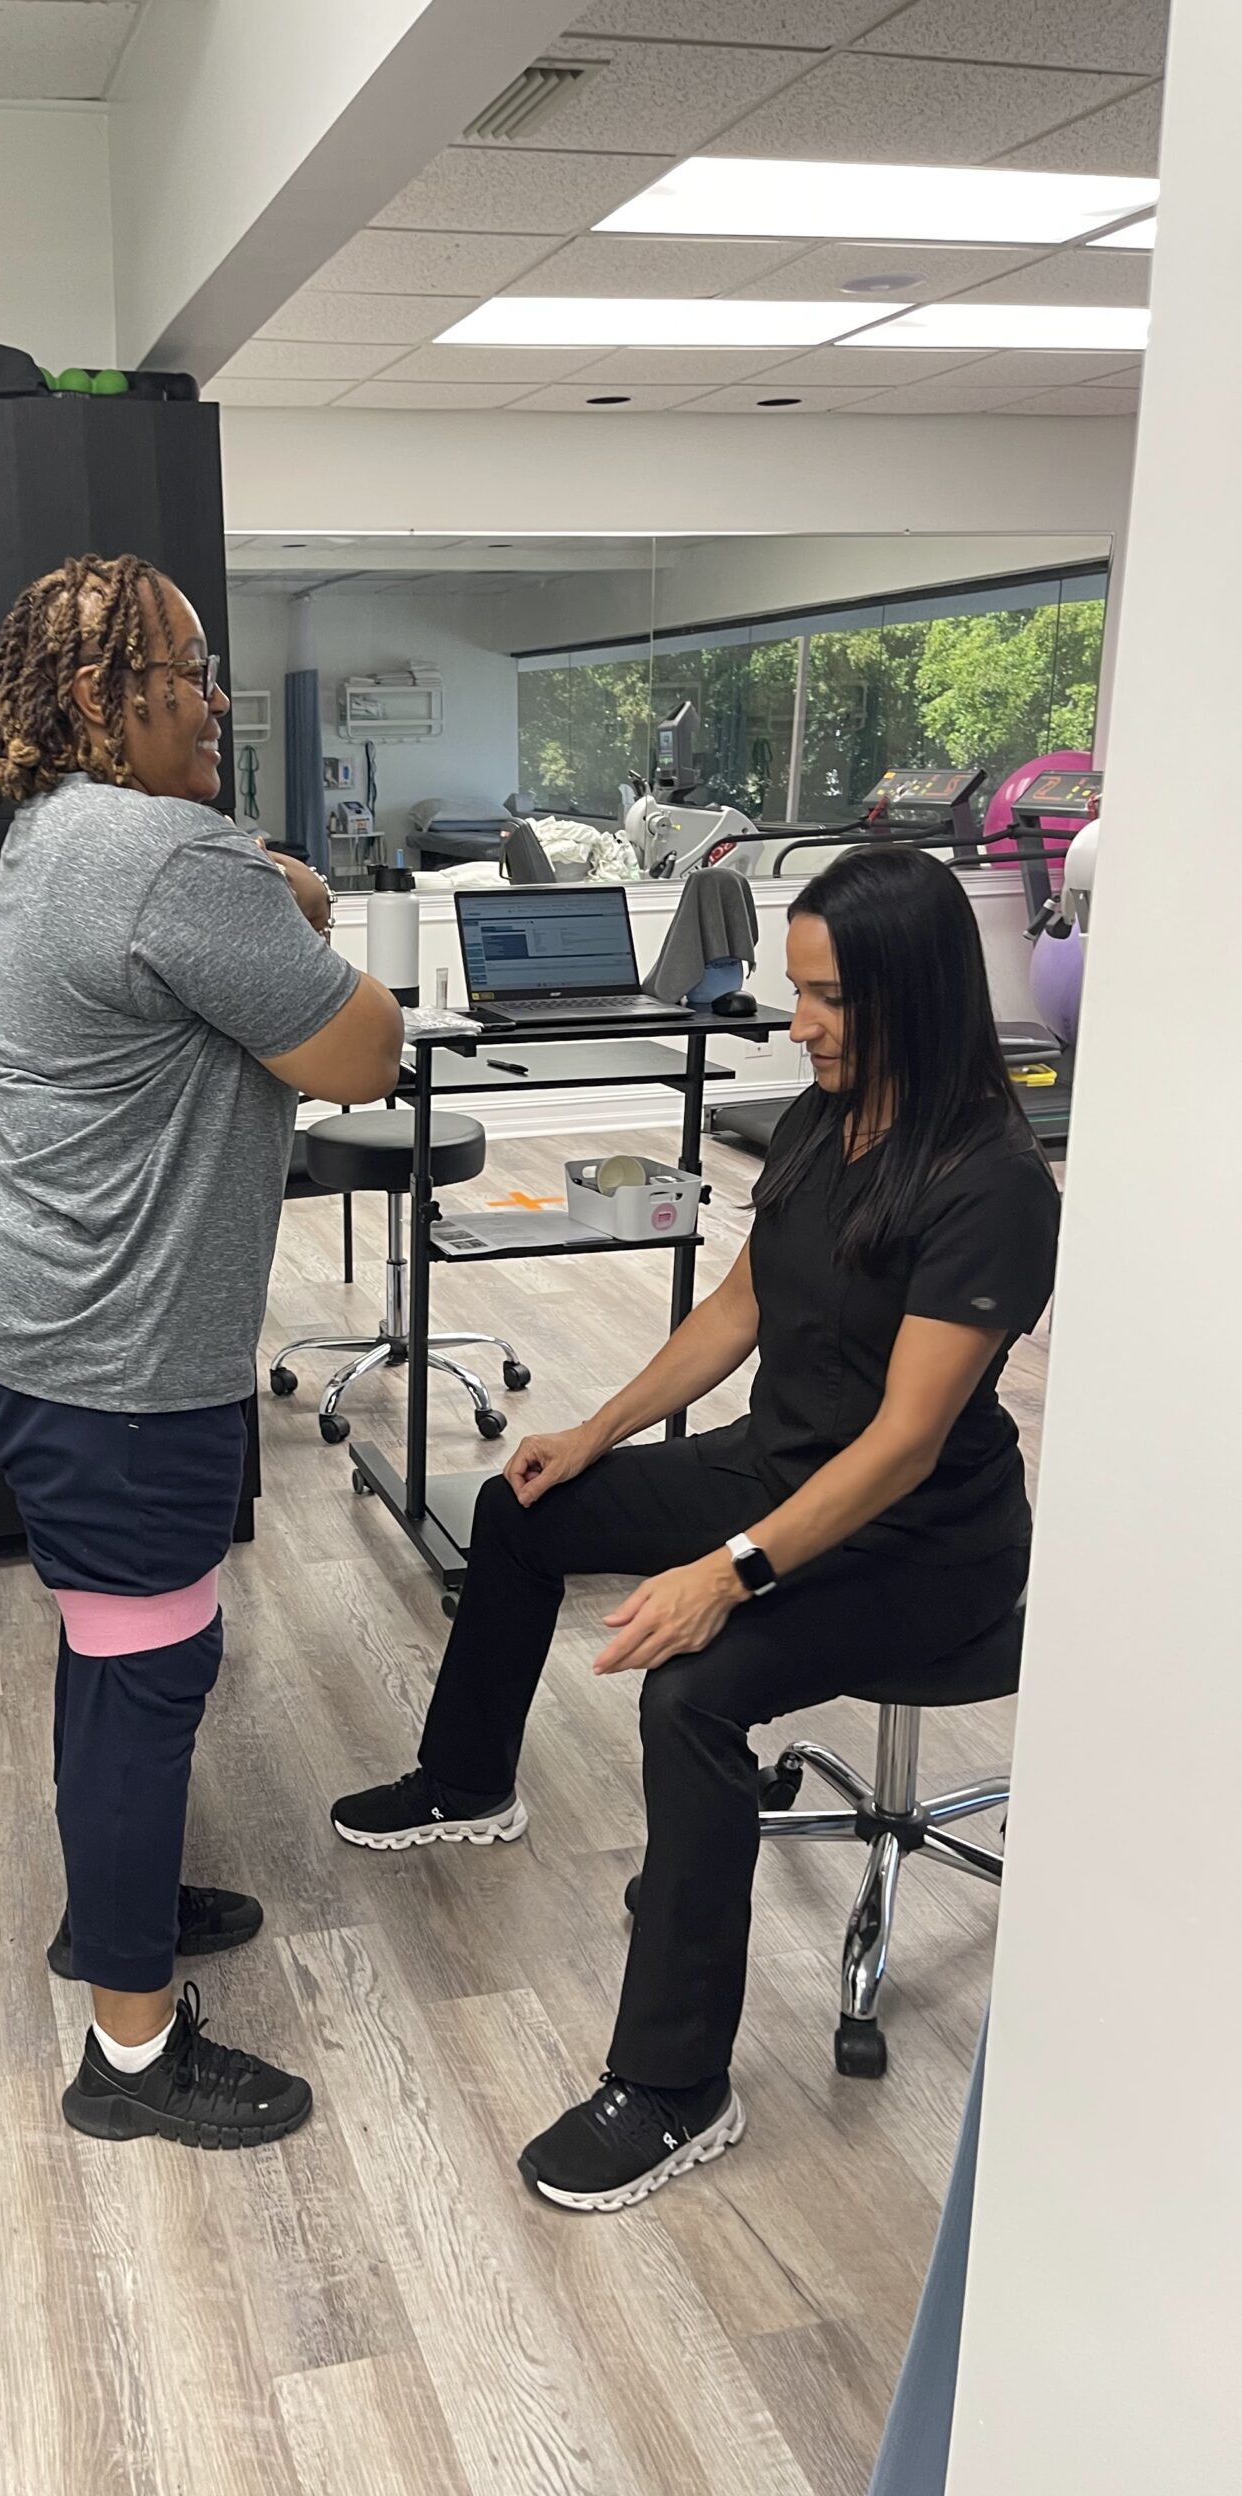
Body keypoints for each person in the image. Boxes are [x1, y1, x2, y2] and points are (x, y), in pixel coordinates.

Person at [331, 846, 1059, 2213]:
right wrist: (593, 1432)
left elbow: (905, 1441)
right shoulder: (826, 1120)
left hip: (921, 1546)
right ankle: (466, 1781)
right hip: (776, 1468)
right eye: (799, 992)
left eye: (829, 999)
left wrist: (728, 1574)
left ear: (912, 994)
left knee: (693, 1694)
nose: (801, 1025)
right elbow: (739, 1309)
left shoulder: (993, 1184)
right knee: (521, 1507)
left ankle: (675, 2087)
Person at [0, 551, 403, 2152]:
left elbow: (226, 939)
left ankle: (108, 1911)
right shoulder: (171, 854)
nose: (217, 698)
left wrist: (277, 897)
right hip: (105, 1358)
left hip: (18, 1315)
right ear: (96, 697)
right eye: (188, 673)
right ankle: (129, 2057)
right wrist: (306, 906)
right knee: (152, 1679)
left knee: (114, 1644)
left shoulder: (62, 828)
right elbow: (362, 1050)